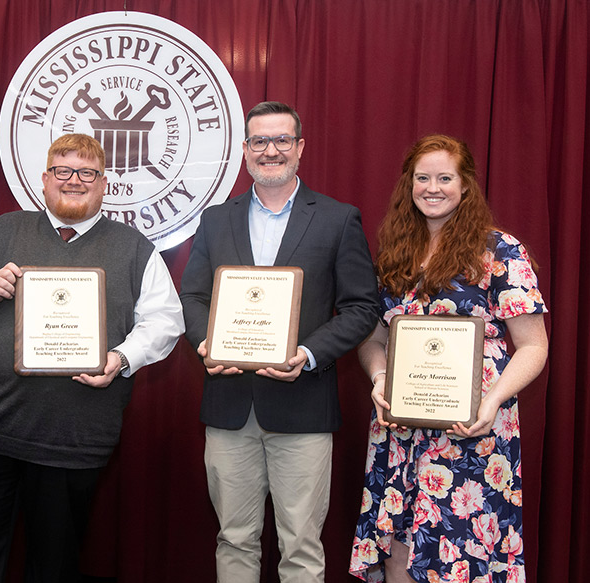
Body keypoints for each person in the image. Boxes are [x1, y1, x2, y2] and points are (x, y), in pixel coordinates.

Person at [0, 133, 184, 582]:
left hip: (72, 442)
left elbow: (165, 321)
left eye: (87, 173)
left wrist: (121, 357)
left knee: (54, 569)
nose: (74, 181)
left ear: (104, 182)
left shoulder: (135, 249)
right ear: (45, 180)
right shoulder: (1, 229)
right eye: (63, 171)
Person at [180, 101, 379, 582]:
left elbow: (361, 308)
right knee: (234, 539)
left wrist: (308, 355)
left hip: (303, 407)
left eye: (281, 140)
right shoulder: (215, 219)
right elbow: (192, 296)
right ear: (245, 150)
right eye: (259, 142)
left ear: (300, 147)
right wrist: (208, 342)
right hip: (229, 407)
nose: (271, 151)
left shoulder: (338, 218)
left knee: (301, 547)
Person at [348, 135, 549, 583]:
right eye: (423, 177)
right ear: (409, 184)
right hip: (401, 432)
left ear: (465, 185)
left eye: (445, 178)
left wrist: (492, 401)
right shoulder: (395, 253)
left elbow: (534, 346)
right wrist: (380, 379)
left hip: (473, 430)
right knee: (399, 551)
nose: (432, 187)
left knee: (465, 558)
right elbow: (372, 338)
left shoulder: (500, 251)